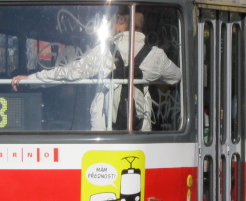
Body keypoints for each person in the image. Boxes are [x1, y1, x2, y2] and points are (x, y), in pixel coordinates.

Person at [11, 10, 180, 131]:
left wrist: (31, 79)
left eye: (112, 21)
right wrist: (153, 81)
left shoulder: (103, 52)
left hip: (104, 129)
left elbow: (70, 73)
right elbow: (176, 77)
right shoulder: (156, 56)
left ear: (121, 22)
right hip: (140, 129)